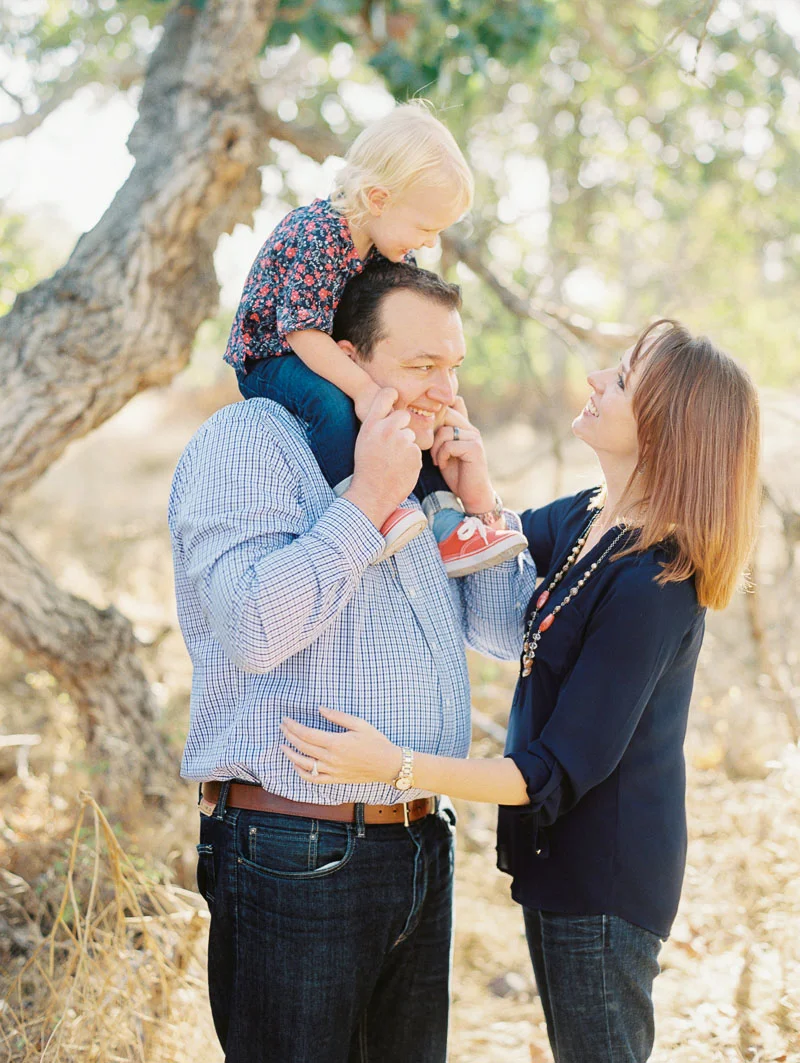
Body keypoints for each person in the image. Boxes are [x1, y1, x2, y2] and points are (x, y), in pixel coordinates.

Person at [281, 320, 762, 1063]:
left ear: (668, 425)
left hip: (605, 880)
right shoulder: (584, 519)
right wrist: (472, 482)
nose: (598, 381)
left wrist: (393, 765)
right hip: (555, 864)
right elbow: (491, 543)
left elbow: (543, 773)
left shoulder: (655, 583)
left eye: (624, 380)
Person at [168, 261, 538, 1063]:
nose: (445, 392)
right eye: (420, 367)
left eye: (454, 367)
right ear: (346, 357)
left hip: (418, 844)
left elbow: (508, 636)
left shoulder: (431, 468)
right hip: (293, 851)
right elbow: (254, 628)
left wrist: (480, 503)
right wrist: (367, 499)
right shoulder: (249, 442)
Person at [224, 101, 526, 574]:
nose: (429, 242)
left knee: (418, 407)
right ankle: (367, 504)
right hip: (273, 354)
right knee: (331, 403)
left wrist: (422, 387)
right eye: (426, 227)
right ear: (379, 200)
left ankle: (446, 519)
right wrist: (367, 389)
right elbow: (302, 330)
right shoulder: (319, 232)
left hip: (328, 349)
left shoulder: (393, 254)